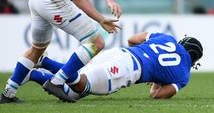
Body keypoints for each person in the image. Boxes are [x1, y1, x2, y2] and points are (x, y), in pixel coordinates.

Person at [27, 32, 203, 101]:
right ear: (194, 59)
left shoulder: (167, 38)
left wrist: (147, 58)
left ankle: (33, 74)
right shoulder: (183, 75)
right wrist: (157, 79)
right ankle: (44, 61)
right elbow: (156, 95)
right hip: (128, 69)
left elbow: (133, 39)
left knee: (71, 91)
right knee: (81, 85)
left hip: (119, 53)